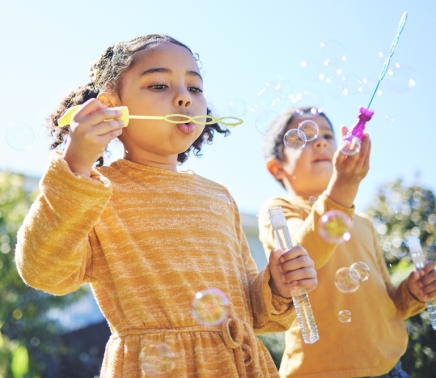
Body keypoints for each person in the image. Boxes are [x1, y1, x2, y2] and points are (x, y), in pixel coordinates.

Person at [14, 35, 318, 378]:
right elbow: (43, 270)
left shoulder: (219, 197)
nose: (183, 97)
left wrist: (276, 287)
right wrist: (74, 167)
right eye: (159, 84)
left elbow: (252, 313)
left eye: (195, 87)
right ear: (111, 105)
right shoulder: (93, 192)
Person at [258, 106, 436, 378]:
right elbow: (301, 256)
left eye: (328, 136)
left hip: (390, 369)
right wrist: (345, 183)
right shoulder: (278, 208)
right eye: (303, 137)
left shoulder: (362, 223)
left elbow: (390, 303)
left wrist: (412, 293)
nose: (320, 141)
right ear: (277, 167)